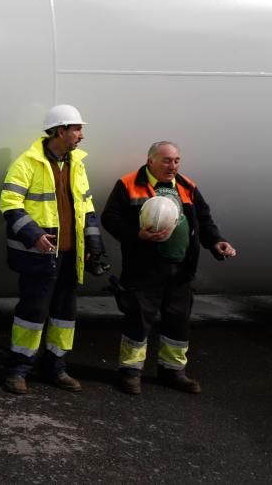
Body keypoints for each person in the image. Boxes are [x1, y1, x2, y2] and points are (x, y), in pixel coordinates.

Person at [102, 141, 236, 395]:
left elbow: (204, 220)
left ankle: (173, 371)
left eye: (176, 161)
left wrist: (217, 242)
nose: (173, 166)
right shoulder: (129, 184)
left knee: (178, 321)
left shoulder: (186, 186)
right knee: (139, 320)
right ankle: (130, 372)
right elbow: (110, 218)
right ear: (150, 160)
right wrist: (136, 235)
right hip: (144, 270)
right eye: (166, 161)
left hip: (180, 268)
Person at [0, 105, 105, 395]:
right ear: (60, 131)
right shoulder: (27, 163)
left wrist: (94, 243)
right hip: (40, 256)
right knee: (32, 314)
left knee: (64, 315)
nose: (81, 135)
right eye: (77, 129)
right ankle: (18, 369)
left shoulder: (76, 163)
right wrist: (34, 236)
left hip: (70, 255)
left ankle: (56, 367)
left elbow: (87, 207)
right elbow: (10, 203)